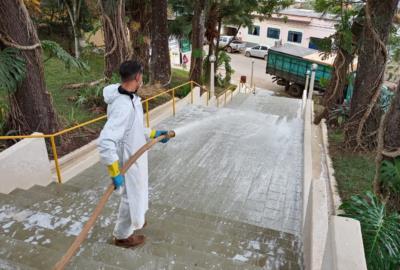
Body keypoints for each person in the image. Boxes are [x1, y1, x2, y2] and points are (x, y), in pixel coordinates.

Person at [97, 60, 169, 248]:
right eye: (142, 76)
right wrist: (115, 172)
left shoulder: (130, 98)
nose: (142, 79)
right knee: (130, 197)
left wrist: (153, 134)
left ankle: (138, 217)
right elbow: (106, 141)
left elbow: (133, 128)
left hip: (136, 154)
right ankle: (122, 235)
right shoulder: (123, 105)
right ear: (137, 77)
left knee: (139, 190)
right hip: (128, 159)